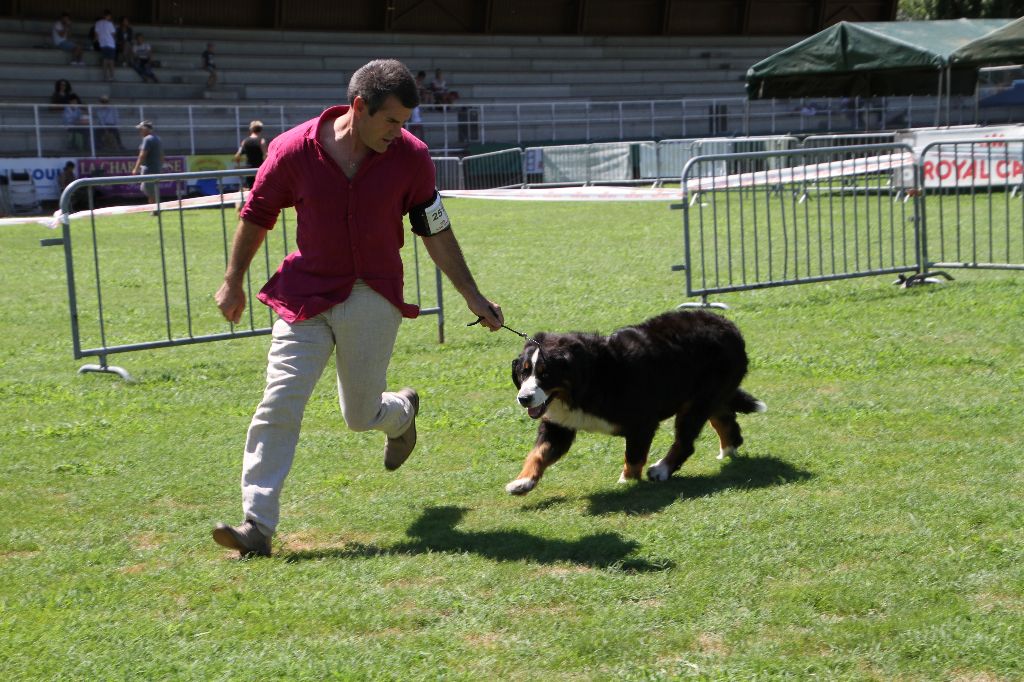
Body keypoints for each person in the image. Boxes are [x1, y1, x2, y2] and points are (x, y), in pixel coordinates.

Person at [211, 59, 504, 558]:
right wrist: (232, 280)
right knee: (278, 402)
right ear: (359, 107)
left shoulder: (412, 158)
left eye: (406, 123)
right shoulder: (291, 150)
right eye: (391, 121)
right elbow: (256, 214)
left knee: (360, 414)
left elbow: (434, 228)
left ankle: (401, 413)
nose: (399, 133)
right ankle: (257, 525)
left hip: (373, 294)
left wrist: (473, 296)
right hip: (304, 294)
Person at [131, 120, 163, 203]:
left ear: (146, 129)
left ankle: (155, 210)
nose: (140, 131)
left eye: (141, 129)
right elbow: (161, 155)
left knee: (150, 191)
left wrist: (135, 169)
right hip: (155, 168)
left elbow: (142, 155)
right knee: (150, 190)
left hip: (149, 170)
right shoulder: (157, 139)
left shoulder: (147, 139)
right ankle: (155, 209)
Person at [233, 120, 268, 188]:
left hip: (248, 170)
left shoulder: (245, 141)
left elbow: (237, 155)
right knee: (261, 188)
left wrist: (239, 165)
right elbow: (265, 156)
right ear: (260, 130)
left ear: (251, 129)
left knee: (250, 189)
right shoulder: (261, 141)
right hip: (260, 169)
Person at [94, 10, 116, 82]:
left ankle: (105, 76)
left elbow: (96, 34)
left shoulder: (97, 23)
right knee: (111, 61)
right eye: (109, 16)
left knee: (105, 60)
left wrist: (97, 41)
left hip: (102, 44)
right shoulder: (110, 23)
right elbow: (113, 34)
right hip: (110, 43)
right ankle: (112, 76)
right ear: (108, 16)